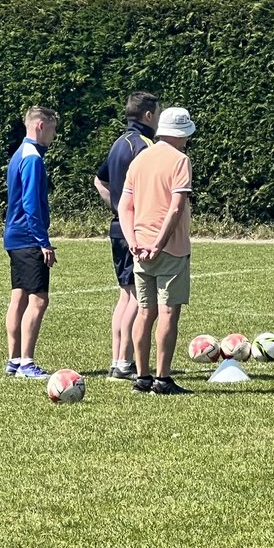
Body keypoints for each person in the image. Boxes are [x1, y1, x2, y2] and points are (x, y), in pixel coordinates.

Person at [117, 107, 197, 396]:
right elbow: (176, 207)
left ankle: (142, 378)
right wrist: (159, 243)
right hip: (170, 249)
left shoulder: (140, 159)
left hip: (139, 248)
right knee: (168, 312)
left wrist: (133, 240)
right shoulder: (180, 160)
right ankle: (162, 379)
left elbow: (125, 206)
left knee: (144, 311)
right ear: (182, 134)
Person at [94, 92, 161, 381]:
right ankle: (124, 362)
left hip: (118, 228)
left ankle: (118, 359)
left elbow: (100, 179)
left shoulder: (119, 143)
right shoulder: (145, 146)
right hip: (136, 231)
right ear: (148, 115)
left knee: (126, 295)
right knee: (139, 297)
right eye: (158, 113)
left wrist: (117, 208)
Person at [3, 106, 59, 379]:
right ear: (40, 126)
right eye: (53, 129)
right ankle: (26, 362)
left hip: (14, 237)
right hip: (28, 238)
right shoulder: (33, 158)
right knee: (39, 300)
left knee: (19, 297)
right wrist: (43, 242)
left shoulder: (18, 154)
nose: (54, 135)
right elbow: (30, 204)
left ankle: (14, 360)